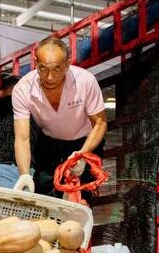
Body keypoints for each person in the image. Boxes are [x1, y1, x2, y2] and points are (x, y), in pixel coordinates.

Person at [12, 36, 108, 195]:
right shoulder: (22, 89)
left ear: (67, 63)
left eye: (57, 69)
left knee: (82, 196)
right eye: (43, 68)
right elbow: (22, 139)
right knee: (43, 192)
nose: (49, 77)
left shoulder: (85, 81)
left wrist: (82, 154)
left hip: (85, 142)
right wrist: (24, 174)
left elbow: (100, 123)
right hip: (49, 144)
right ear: (35, 63)